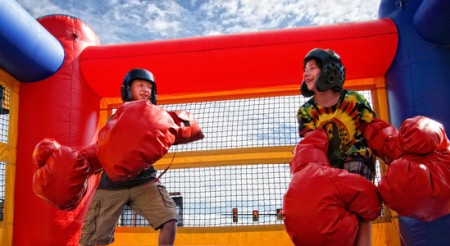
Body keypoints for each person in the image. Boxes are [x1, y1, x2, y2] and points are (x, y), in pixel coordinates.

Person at [79, 68, 178, 246]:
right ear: (127, 89)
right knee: (91, 240)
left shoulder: (156, 116)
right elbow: (103, 149)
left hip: (145, 183)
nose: (145, 90)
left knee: (169, 219)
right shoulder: (117, 118)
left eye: (149, 87)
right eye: (140, 85)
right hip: (111, 186)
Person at [296, 48, 377, 246]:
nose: (306, 73)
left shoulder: (353, 100)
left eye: (312, 68)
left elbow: (373, 129)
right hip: (327, 167)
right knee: (328, 211)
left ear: (329, 70)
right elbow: (311, 145)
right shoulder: (306, 111)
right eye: (305, 70)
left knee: (360, 204)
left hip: (358, 157)